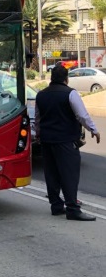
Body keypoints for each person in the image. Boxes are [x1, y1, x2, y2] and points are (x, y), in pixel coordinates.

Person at [34, 65, 101, 221]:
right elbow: (82, 115)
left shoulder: (41, 95)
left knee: (51, 173)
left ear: (51, 78)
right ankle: (72, 209)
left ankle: (56, 206)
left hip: (46, 140)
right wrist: (93, 130)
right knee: (69, 174)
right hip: (65, 141)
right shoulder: (70, 94)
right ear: (66, 79)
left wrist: (38, 135)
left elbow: (38, 119)